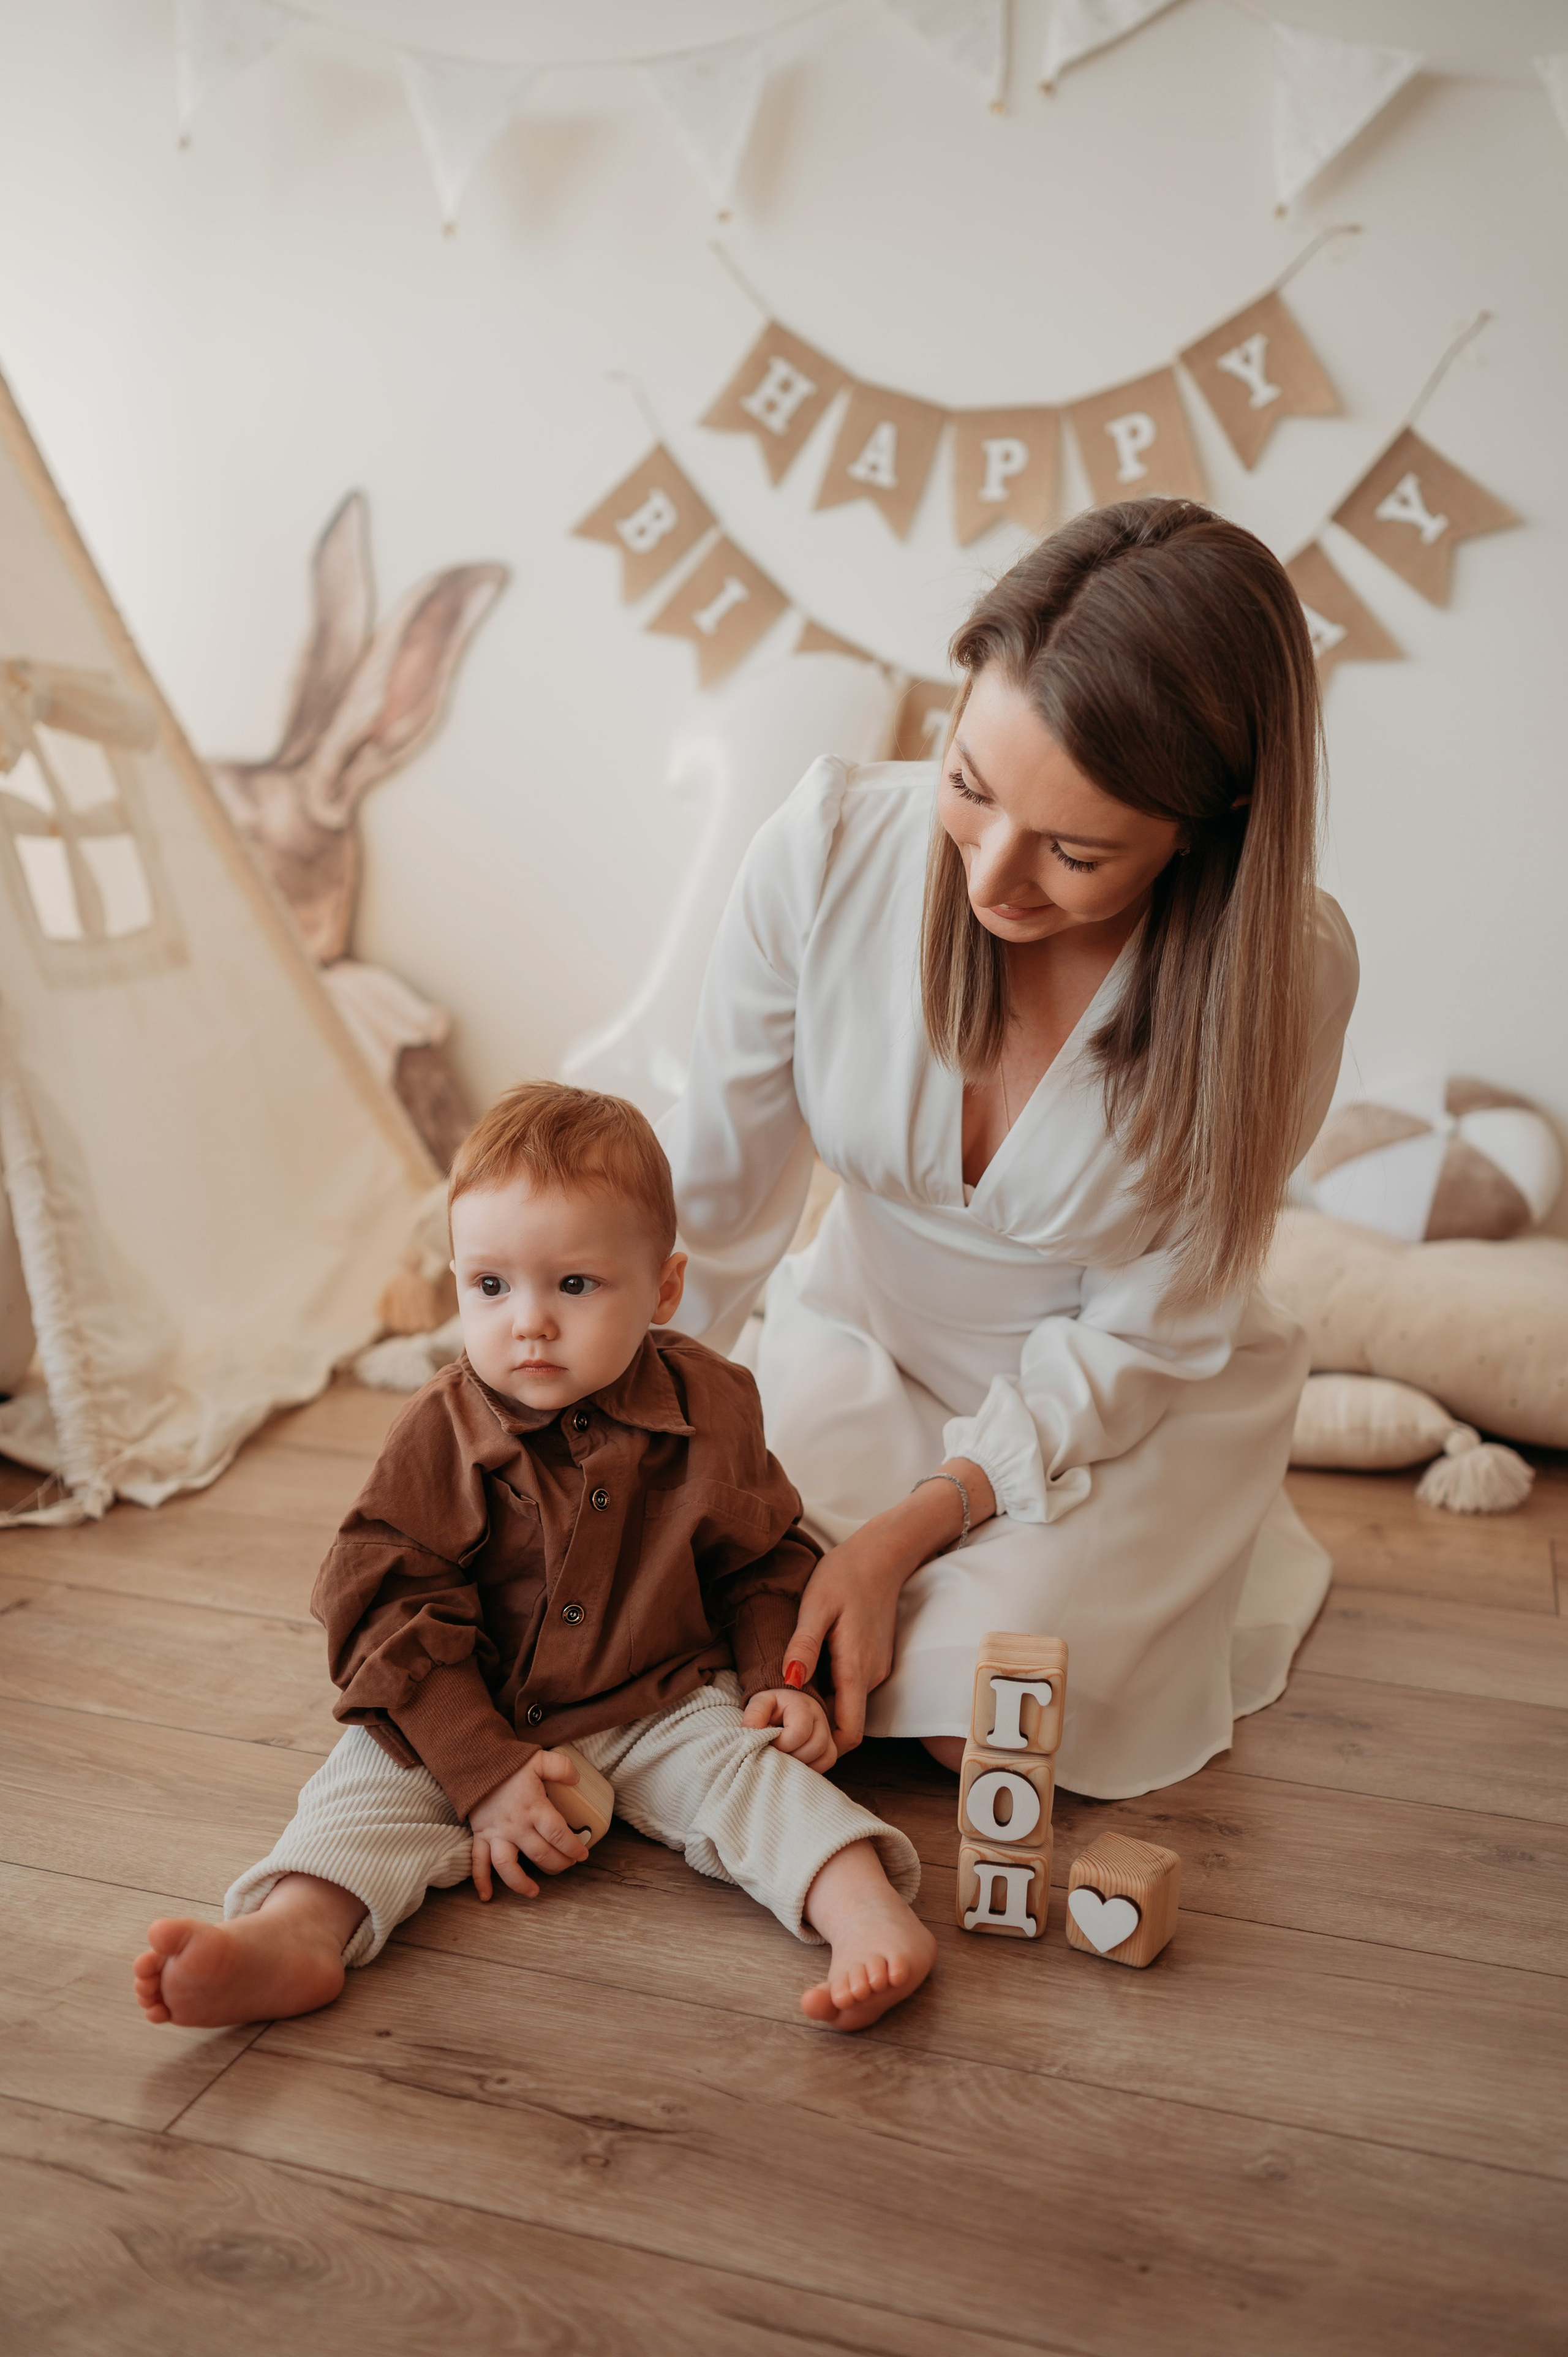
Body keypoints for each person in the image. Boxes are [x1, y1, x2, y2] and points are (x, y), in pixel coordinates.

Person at [658, 499, 1359, 1795]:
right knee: (744, 1649)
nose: (990, 879)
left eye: (1076, 851)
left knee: (964, 1717)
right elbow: (713, 1207)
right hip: (861, 1342)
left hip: (1109, 1405)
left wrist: (910, 1527)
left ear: (1208, 821)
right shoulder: (823, 853)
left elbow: (1147, 1328)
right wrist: (602, 1432)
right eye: (969, 788)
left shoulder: (1283, 975)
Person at [133, 1084, 929, 2034]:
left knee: (756, 1779)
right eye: (492, 1286)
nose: (529, 1323)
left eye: (575, 1285)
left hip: (655, 1697)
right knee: (365, 1789)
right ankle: (293, 1935)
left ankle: (863, 1909)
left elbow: (759, 1557)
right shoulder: (444, 1428)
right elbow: (389, 1603)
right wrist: (480, 1767)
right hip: (471, 1698)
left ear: (665, 1289)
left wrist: (777, 1679)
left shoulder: (713, 1406)